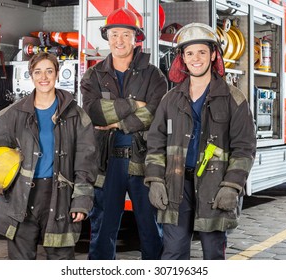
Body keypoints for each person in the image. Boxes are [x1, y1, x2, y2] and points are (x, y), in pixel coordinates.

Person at [0, 52, 97, 260]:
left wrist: (81, 200)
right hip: (21, 198)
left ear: (57, 74)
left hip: (60, 198)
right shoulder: (14, 113)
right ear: (31, 75)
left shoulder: (76, 114)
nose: (43, 77)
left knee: (61, 260)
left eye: (49, 71)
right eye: (38, 72)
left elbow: (86, 161)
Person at [144, 23, 256, 260]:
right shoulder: (170, 99)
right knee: (173, 252)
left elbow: (244, 148)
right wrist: (155, 179)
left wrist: (232, 185)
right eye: (190, 53)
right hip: (176, 186)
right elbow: (155, 143)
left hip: (215, 187)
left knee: (213, 253)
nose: (196, 58)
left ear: (213, 54)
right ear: (182, 59)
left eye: (202, 52)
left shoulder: (234, 99)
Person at [80, 7, 167, 260]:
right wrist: (133, 105)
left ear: (135, 38)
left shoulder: (154, 75)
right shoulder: (94, 75)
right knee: (103, 228)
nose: (119, 40)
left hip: (142, 161)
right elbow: (93, 112)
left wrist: (119, 124)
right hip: (106, 163)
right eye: (114, 34)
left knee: (151, 229)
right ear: (107, 36)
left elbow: (156, 112)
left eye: (125, 34)